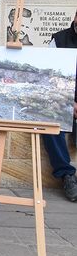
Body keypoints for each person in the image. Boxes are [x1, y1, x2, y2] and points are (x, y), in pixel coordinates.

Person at [46, 13, 77, 202]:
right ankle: (66, 174)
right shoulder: (59, 40)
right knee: (49, 122)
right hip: (65, 99)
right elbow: (52, 74)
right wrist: (68, 100)